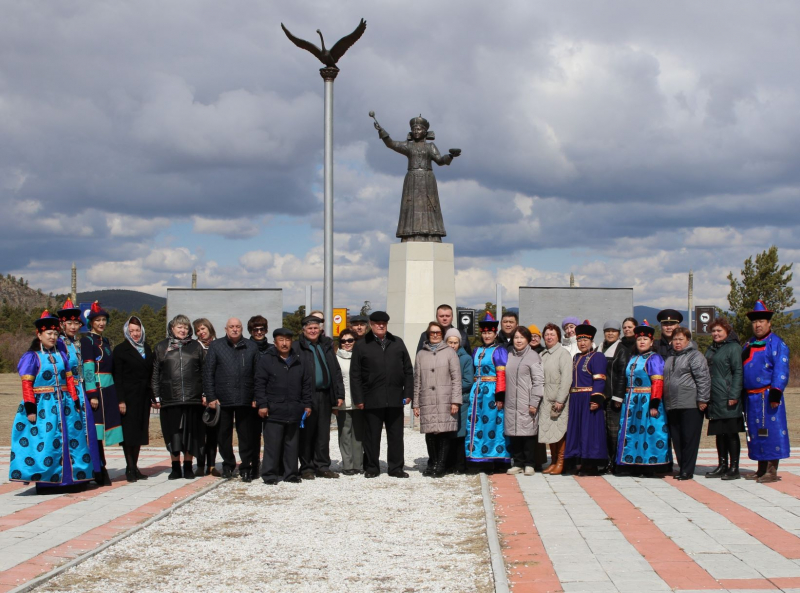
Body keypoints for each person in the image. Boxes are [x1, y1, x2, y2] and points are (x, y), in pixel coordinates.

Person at [9, 311, 94, 492]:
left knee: (72, 440)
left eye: (56, 334)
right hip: (44, 405)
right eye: (49, 334)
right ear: (39, 335)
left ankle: (72, 480)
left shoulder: (62, 355)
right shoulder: (32, 357)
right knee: (47, 441)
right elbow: (27, 384)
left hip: (65, 404)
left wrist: (75, 400)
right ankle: (48, 481)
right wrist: (30, 408)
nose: (53, 337)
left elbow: (69, 380)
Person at [350, 311, 414, 478]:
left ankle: (396, 468)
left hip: (394, 396)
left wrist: (408, 392)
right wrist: (358, 398)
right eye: (377, 323)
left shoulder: (397, 343)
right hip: (371, 397)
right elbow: (355, 374)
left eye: (383, 323)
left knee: (396, 435)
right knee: (371, 436)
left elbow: (408, 370)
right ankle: (372, 467)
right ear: (371, 324)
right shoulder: (362, 345)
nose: (380, 325)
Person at [373, 114, 457, 242]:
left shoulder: (430, 147)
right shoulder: (409, 146)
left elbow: (440, 161)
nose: (416, 131)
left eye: (419, 129)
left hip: (427, 179)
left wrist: (450, 156)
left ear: (425, 131)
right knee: (410, 206)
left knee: (430, 206)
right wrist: (381, 131)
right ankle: (409, 235)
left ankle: (432, 235)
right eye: (414, 129)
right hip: (412, 180)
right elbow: (391, 144)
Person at [741, 300, 791, 483]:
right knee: (755, 432)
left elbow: (781, 368)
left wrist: (776, 391)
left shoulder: (776, 343)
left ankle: (771, 469)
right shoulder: (748, 344)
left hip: (768, 396)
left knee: (771, 431)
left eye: (761, 321)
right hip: (751, 397)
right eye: (754, 322)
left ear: (769, 323)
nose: (758, 325)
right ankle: (761, 468)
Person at [203, 318, 259, 481]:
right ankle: (228, 465)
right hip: (222, 399)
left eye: (238, 327)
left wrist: (256, 396)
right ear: (225, 329)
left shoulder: (251, 346)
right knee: (223, 435)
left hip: (245, 398)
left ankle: (246, 466)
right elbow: (208, 373)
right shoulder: (216, 346)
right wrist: (211, 396)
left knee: (246, 436)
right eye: (231, 327)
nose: (235, 329)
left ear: (242, 329)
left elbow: (258, 374)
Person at [255, 328, 313, 485]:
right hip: (273, 409)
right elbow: (259, 384)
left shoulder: (298, 360)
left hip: (294, 409)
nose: (285, 343)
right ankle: (270, 474)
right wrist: (262, 404)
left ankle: (291, 474)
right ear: (275, 342)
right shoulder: (266, 360)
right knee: (272, 445)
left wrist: (307, 404)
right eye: (281, 340)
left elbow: (306, 384)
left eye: (288, 340)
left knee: (292, 445)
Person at [153, 314, 206, 480]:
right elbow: (156, 373)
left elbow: (205, 371)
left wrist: (205, 393)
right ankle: (175, 467)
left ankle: (188, 466)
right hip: (170, 398)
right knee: (173, 433)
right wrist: (156, 395)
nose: (183, 330)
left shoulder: (196, 346)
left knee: (191, 433)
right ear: (172, 328)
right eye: (179, 327)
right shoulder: (162, 347)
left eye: (185, 327)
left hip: (193, 397)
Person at [292, 315, 345, 479]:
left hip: (326, 394)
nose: (313, 331)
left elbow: (336, 371)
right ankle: (307, 467)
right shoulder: (297, 347)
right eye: (310, 328)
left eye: (316, 328)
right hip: (307, 395)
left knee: (323, 433)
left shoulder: (326, 346)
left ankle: (322, 466)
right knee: (307, 433)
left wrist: (339, 394)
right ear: (303, 330)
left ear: (320, 330)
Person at [617, 322, 671, 476]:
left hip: (648, 401)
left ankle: (650, 466)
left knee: (649, 433)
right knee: (633, 434)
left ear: (651, 342)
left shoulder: (654, 358)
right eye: (639, 339)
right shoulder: (633, 357)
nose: (642, 342)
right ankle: (633, 463)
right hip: (632, 402)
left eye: (645, 339)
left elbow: (658, 382)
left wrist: (654, 403)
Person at [56, 300, 102, 482]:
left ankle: (85, 472)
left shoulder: (79, 343)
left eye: (76, 323)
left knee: (84, 432)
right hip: (67, 393)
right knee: (69, 432)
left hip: (81, 390)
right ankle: (68, 474)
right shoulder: (58, 344)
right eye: (70, 323)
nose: (74, 327)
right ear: (62, 324)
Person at [81, 301, 123, 486]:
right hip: (96, 389)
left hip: (109, 389)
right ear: (91, 322)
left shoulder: (105, 341)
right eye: (98, 320)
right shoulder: (87, 340)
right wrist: (92, 394)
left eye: (104, 320)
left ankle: (100, 467)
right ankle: (98, 468)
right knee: (95, 431)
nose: (101, 323)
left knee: (104, 430)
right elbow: (88, 368)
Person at [414, 321, 461, 478]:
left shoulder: (450, 352)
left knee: (443, 432)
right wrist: (416, 403)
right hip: (427, 398)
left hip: (445, 399)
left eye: (438, 332)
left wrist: (455, 401)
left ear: (442, 334)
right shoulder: (421, 354)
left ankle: (441, 464)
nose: (435, 335)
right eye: (432, 332)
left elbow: (456, 378)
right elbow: (417, 380)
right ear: (427, 334)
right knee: (430, 433)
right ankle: (433, 462)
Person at [465, 313, 512, 470]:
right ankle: (478, 457)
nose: (486, 335)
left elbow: (501, 375)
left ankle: (496, 458)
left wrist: (500, 395)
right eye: (484, 333)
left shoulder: (499, 351)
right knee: (477, 424)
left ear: (495, 333)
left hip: (492, 392)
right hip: (478, 391)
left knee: (493, 424)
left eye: (489, 333)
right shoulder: (476, 350)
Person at [663, 327, 710, 480]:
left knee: (689, 438)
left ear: (688, 340)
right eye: (675, 339)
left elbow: (703, 378)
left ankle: (687, 470)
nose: (677, 342)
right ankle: (682, 466)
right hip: (672, 404)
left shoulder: (695, 356)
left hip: (690, 403)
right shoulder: (670, 357)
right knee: (677, 438)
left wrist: (703, 399)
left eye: (681, 339)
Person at [112, 316, 153, 483]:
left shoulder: (147, 348)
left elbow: (151, 374)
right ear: (126, 332)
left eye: (137, 330)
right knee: (129, 434)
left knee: (140, 432)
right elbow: (118, 377)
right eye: (132, 331)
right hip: (128, 397)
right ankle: (129, 467)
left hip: (143, 397)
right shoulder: (121, 350)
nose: (135, 334)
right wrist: (120, 400)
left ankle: (135, 466)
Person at [563, 322, 608, 476]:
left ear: (591, 341)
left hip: (589, 398)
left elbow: (600, 379)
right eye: (579, 340)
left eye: (585, 340)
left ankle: (591, 464)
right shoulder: (575, 357)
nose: (582, 343)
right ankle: (578, 461)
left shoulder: (597, 356)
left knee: (590, 431)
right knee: (577, 430)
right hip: (575, 399)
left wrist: (596, 399)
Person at [704, 317, 744, 480]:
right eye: (713, 331)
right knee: (719, 433)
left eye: (719, 330)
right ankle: (722, 465)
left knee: (731, 432)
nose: (716, 333)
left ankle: (734, 467)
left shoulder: (733, 348)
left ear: (727, 332)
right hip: (714, 397)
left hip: (727, 396)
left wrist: (734, 394)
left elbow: (738, 372)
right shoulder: (712, 348)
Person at [504, 326, 545, 476]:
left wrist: (534, 401)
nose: (519, 340)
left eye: (522, 337)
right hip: (510, 401)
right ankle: (518, 462)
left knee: (528, 434)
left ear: (527, 339)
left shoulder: (533, 356)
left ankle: (529, 463)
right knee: (514, 433)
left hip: (527, 401)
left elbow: (539, 381)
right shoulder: (509, 355)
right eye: (516, 337)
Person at [539, 324, 573, 475]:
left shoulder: (563, 354)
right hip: (545, 399)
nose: (549, 337)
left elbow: (566, 379)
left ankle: (561, 461)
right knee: (549, 431)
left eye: (552, 334)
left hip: (558, 399)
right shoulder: (542, 355)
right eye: (547, 334)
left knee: (560, 432)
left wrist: (560, 399)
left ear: (558, 336)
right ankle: (553, 461)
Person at [598, 320, 631, 475]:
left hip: (613, 397)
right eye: (607, 330)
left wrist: (618, 397)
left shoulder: (622, 350)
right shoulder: (599, 348)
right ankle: (605, 462)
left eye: (614, 331)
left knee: (614, 432)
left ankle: (617, 462)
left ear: (619, 333)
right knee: (602, 431)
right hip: (600, 396)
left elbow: (622, 376)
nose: (610, 333)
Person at [444, 328, 473, 474]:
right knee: (448, 434)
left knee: (460, 435)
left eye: (455, 342)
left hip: (462, 400)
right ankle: (448, 464)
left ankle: (460, 465)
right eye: (450, 342)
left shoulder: (466, 358)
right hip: (444, 401)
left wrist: (449, 388)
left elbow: (468, 381)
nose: (452, 345)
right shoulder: (442, 357)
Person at [193, 318, 220, 476]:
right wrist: (203, 394)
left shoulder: (218, 346)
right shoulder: (194, 347)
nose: (201, 332)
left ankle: (212, 464)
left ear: (209, 328)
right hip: (198, 397)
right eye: (197, 330)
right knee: (199, 434)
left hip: (215, 397)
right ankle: (200, 465)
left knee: (213, 433)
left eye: (203, 328)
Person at [335, 329, 364, 475]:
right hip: (343, 402)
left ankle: (358, 464)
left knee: (358, 434)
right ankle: (347, 465)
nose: (347, 343)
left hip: (359, 402)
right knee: (345, 434)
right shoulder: (336, 358)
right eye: (343, 341)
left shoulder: (361, 356)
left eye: (350, 340)